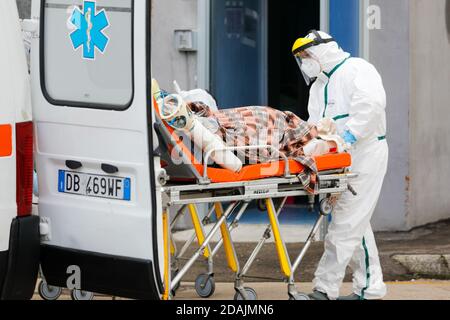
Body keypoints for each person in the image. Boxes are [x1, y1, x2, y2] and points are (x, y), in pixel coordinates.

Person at [292, 30, 389, 300]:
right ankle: (371, 287)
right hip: (337, 160)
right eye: (301, 58)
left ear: (323, 51)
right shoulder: (319, 86)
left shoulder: (357, 69)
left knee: (346, 223)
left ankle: (325, 289)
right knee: (355, 222)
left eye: (307, 55)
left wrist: (349, 135)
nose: (305, 62)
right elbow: (314, 126)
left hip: (365, 154)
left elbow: (371, 105)